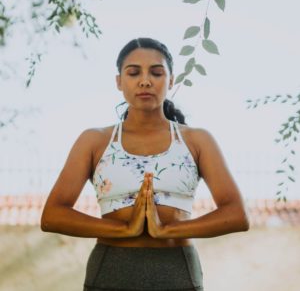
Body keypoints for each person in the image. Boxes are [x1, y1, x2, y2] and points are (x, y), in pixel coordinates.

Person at [41, 37, 249, 291]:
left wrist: (167, 230)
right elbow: (52, 216)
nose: (145, 80)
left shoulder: (197, 140)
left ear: (171, 81)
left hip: (177, 271)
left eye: (157, 72)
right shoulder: (94, 140)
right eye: (133, 72)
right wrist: (123, 230)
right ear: (119, 81)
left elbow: (237, 215)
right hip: (110, 270)